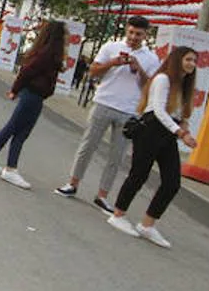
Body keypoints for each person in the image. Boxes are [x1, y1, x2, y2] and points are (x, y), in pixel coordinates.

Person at [54, 15, 157, 212]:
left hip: (129, 111)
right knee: (88, 145)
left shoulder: (151, 58)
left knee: (116, 156)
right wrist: (113, 63)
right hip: (104, 102)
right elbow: (93, 71)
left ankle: (102, 195)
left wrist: (138, 68)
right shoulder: (110, 47)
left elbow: (149, 88)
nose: (134, 37)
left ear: (146, 35)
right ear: (126, 30)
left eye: (139, 34)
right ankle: (73, 183)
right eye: (131, 32)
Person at [107, 46, 199, 248]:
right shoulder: (162, 79)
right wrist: (180, 133)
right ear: (177, 60)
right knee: (139, 174)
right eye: (188, 59)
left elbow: (180, 115)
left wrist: (185, 129)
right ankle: (118, 214)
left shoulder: (184, 86)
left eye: (194, 60)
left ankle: (147, 224)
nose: (192, 64)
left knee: (172, 182)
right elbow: (158, 110)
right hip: (151, 129)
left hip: (168, 133)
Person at [0, 19, 67, 189]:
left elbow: (27, 70)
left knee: (17, 129)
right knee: (17, 129)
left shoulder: (44, 52)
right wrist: (15, 89)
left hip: (33, 94)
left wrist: (17, 89)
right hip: (33, 94)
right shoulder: (48, 54)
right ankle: (5, 166)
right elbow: (27, 71)